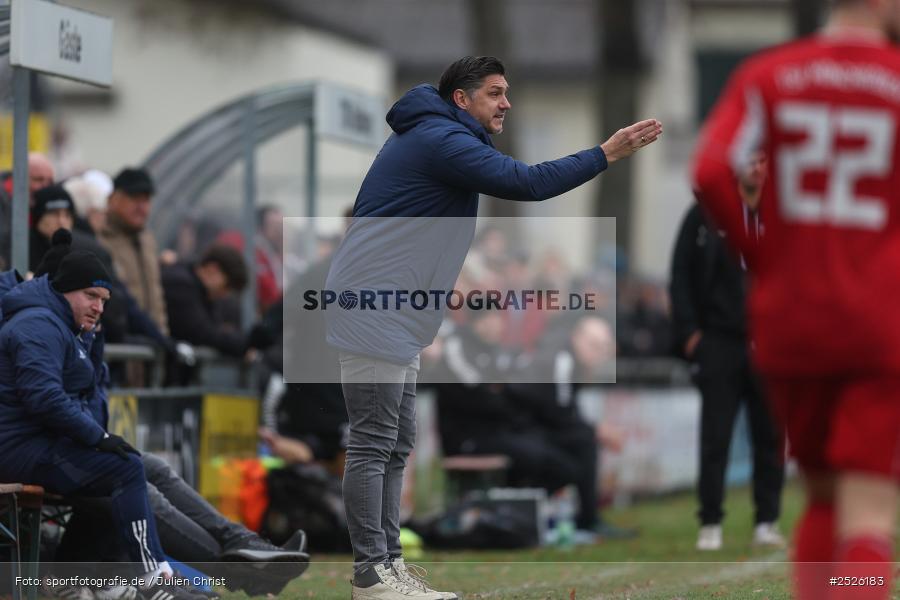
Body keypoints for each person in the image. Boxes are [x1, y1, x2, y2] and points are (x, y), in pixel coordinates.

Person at [324, 55, 661, 600]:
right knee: (374, 442)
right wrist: (606, 153)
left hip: (396, 309)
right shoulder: (440, 138)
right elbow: (525, 183)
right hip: (375, 306)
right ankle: (373, 576)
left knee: (395, 442)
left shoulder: (443, 135)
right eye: (496, 93)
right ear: (462, 99)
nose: (506, 102)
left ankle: (387, 569)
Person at [691, 1, 900, 597]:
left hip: (791, 318)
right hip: (878, 317)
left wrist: (768, 258)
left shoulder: (769, 74)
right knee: (868, 509)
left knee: (824, 495)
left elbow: (710, 170)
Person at [0, 249, 201, 600]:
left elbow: (82, 395)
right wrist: (98, 437)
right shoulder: (37, 325)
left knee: (128, 469)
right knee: (124, 470)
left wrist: (98, 436)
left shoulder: (66, 326)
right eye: (90, 296)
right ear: (63, 290)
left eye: (104, 300)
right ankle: (156, 579)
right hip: (19, 450)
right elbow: (44, 398)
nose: (98, 307)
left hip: (36, 444)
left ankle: (90, 582)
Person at [671, 151, 785, 551]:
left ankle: (767, 521)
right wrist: (690, 335)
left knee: (770, 436)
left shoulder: (783, 215)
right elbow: (680, 274)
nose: (757, 167)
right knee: (715, 435)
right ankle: (710, 522)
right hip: (719, 341)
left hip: (770, 343)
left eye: (763, 160)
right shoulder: (706, 214)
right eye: (750, 160)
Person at [99, 167, 169, 335]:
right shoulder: (100, 238)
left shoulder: (147, 240)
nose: (142, 207)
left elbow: (157, 297)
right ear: (113, 199)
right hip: (120, 347)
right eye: (134, 199)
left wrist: (163, 337)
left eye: (146, 200)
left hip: (151, 347)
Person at [160, 243, 249, 357]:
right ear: (213, 269)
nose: (225, 295)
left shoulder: (200, 292)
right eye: (227, 286)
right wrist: (242, 344)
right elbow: (202, 333)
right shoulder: (180, 285)